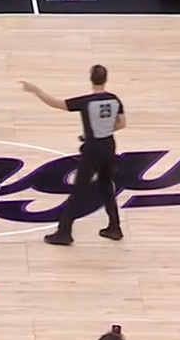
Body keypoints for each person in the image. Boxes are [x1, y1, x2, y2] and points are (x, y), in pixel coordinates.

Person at [20, 65, 125, 246]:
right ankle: (115, 227)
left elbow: (56, 103)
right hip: (109, 145)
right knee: (106, 185)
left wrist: (36, 90)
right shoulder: (115, 99)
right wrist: (105, 130)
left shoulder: (86, 102)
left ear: (91, 78)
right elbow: (121, 124)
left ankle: (64, 232)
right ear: (106, 79)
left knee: (79, 190)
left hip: (92, 149)